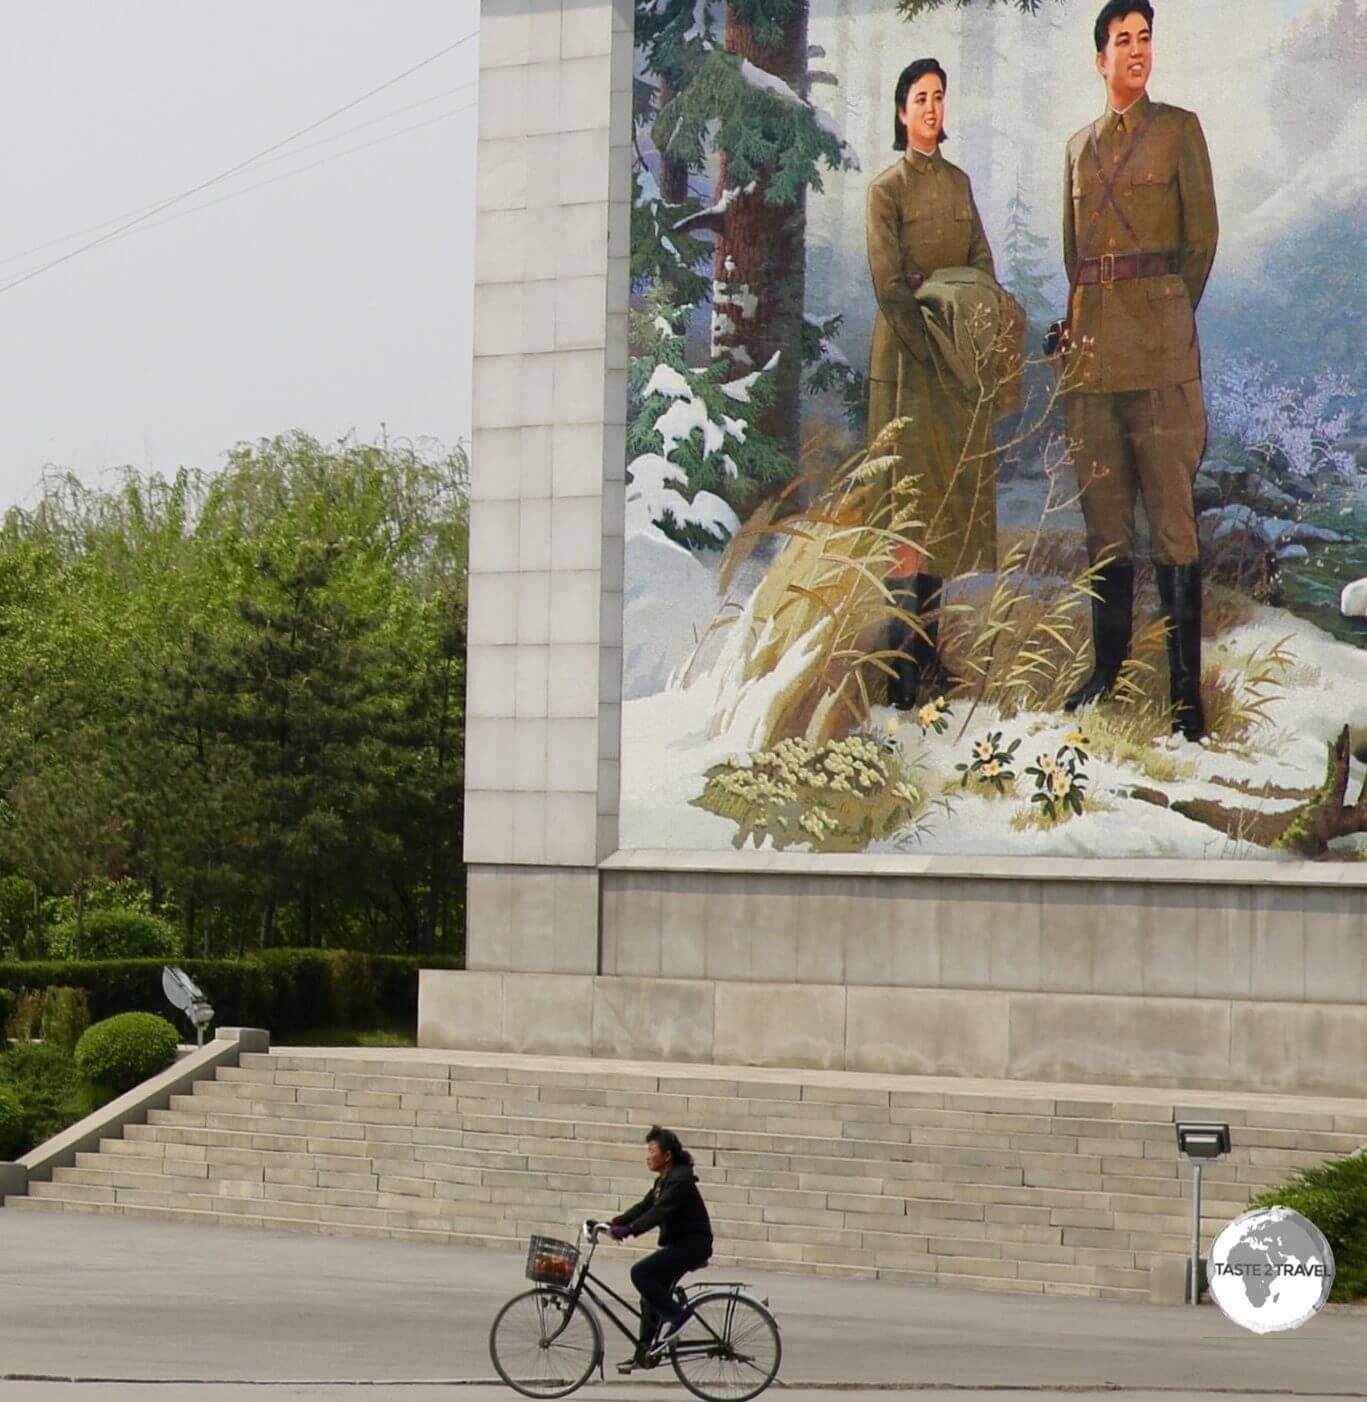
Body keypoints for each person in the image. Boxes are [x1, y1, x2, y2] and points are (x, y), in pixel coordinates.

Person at [1060, 0, 1218, 739]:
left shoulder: (1179, 129)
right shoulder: (1075, 149)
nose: (1134, 50)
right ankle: (1106, 671)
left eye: (1143, 38)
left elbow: (1201, 242)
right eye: (1120, 40)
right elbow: (1073, 258)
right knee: (1104, 524)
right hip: (1093, 364)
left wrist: (1162, 315)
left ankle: (1184, 697)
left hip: (1159, 359)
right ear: (1099, 59)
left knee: (1172, 523)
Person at [865, 58, 999, 710]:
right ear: (900, 111)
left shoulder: (960, 184)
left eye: (938, 97)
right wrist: (931, 344)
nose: (930, 109)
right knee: (906, 516)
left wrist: (965, 342)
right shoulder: (884, 191)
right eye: (919, 98)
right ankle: (898, 673)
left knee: (943, 513)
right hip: (906, 370)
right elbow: (890, 287)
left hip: (956, 372)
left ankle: (930, 657)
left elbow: (981, 273)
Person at [606, 1125, 713, 1374]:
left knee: (640, 1273)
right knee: (650, 1295)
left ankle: (680, 1317)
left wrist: (630, 1230)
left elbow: (660, 1211)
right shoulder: (663, 1181)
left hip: (692, 1245)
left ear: (667, 1156)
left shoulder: (680, 1181)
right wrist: (614, 1223)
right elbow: (644, 1206)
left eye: (652, 1150)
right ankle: (644, 1353)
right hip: (681, 1244)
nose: (647, 1155)